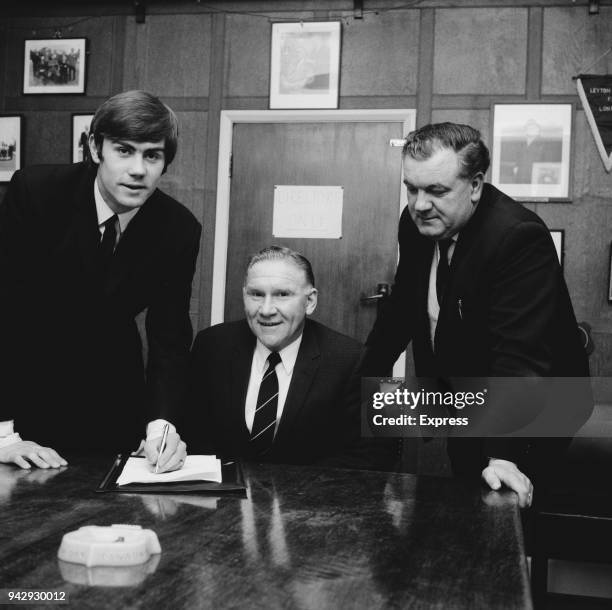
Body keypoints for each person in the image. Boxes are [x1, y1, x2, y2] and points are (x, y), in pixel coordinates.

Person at [359, 122, 591, 507]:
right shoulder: (415, 221)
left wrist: (503, 454)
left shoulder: (517, 236)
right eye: (411, 188)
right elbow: (401, 310)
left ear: (476, 185)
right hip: (467, 395)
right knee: (466, 496)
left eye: (436, 190)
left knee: (502, 507)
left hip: (537, 407)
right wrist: (357, 387)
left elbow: (520, 356)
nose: (419, 204)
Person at [0, 90, 201, 472]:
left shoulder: (179, 229)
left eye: (152, 155)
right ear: (96, 148)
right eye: (124, 150)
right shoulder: (37, 194)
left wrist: (161, 424)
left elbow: (170, 338)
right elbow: (5, 311)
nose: (138, 169)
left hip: (113, 401)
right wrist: (4, 433)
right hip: (23, 400)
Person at [182, 246, 397, 469]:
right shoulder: (211, 345)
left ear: (310, 301)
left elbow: (376, 455)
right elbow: (192, 432)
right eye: (256, 294)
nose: (266, 310)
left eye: (282, 294)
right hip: (226, 497)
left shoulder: (356, 358)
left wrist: (292, 496)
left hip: (309, 499)